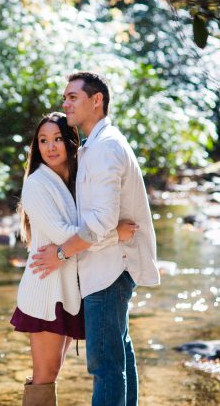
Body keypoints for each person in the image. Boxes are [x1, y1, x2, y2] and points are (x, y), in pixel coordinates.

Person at [29, 72, 161, 406]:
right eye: (65, 97)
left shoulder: (104, 147)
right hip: (107, 267)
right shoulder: (96, 146)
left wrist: (60, 253)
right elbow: (96, 222)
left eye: (73, 97)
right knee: (118, 354)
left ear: (96, 100)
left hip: (108, 270)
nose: (66, 103)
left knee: (105, 363)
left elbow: (99, 222)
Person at [11, 111, 137, 406]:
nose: (50, 147)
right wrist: (115, 235)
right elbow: (66, 234)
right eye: (43, 141)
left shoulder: (77, 181)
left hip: (69, 289)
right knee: (45, 375)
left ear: (70, 143)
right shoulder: (37, 184)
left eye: (57, 139)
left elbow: (88, 226)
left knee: (55, 371)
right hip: (46, 289)